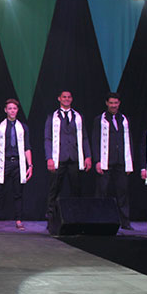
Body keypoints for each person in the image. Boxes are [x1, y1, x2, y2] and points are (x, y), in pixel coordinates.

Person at [44, 90, 92, 226]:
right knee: (54, 190)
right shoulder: (52, 117)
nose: (66, 99)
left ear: (71, 99)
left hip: (75, 158)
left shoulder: (78, 116)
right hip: (58, 158)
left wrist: (88, 156)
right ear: (59, 98)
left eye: (69, 97)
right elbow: (47, 138)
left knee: (76, 190)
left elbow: (84, 137)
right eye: (64, 97)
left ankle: (76, 219)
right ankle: (51, 220)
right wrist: (49, 158)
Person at [0, 98, 32, 231]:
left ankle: (18, 220)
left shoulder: (23, 127)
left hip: (18, 162)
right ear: (5, 110)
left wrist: (30, 165)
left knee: (18, 193)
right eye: (10, 108)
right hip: (4, 162)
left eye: (15, 108)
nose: (12, 111)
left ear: (17, 110)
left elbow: (27, 147)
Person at [92, 93, 134, 230]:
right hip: (106, 161)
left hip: (121, 161)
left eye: (116, 103)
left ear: (119, 103)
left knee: (123, 192)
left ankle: (125, 222)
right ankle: (99, 221)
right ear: (107, 103)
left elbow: (129, 141)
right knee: (102, 192)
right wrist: (97, 161)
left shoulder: (124, 119)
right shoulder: (100, 120)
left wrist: (130, 162)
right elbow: (95, 141)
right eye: (111, 103)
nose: (113, 105)